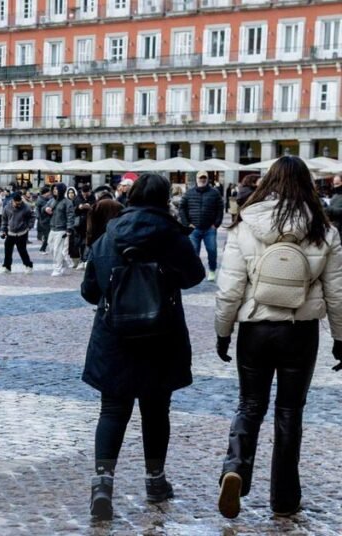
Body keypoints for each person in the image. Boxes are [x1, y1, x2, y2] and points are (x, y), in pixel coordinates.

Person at [213, 157, 342, 519]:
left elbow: (229, 288)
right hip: (300, 331)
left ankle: (235, 467)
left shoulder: (245, 225)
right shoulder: (324, 229)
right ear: (308, 185)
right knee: (289, 412)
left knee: (249, 405)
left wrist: (223, 332)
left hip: (255, 328)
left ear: (267, 182)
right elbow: (337, 292)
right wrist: (341, 338)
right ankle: (284, 497)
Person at [80, 173, 205, 521]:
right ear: (165, 198)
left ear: (131, 196)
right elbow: (195, 276)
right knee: (156, 410)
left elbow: (89, 291)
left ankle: (102, 485)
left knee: (112, 411)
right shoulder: (171, 234)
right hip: (160, 335)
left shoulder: (109, 235)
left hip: (114, 335)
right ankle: (155, 480)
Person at [179, 171, 224, 282]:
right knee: (194, 252)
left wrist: (216, 224)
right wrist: (187, 223)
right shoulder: (189, 193)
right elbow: (182, 208)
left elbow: (220, 208)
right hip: (194, 228)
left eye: (204, 178)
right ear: (197, 179)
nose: (202, 179)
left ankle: (212, 270)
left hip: (210, 228)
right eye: (200, 177)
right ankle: (195, 272)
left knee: (212, 250)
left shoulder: (215, 192)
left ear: (207, 179)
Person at [0, 192, 35, 274]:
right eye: (17, 203)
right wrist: (3, 230)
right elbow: (4, 219)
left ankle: (28, 266)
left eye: (20, 203)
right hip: (11, 232)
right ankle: (7, 267)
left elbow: (32, 216)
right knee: (7, 250)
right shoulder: (7, 207)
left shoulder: (26, 207)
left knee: (22, 250)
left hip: (22, 232)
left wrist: (29, 226)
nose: (18, 205)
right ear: (13, 201)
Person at [47, 183, 75, 276]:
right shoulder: (51, 201)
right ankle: (63, 264)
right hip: (52, 228)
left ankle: (57, 269)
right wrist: (46, 209)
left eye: (56, 189)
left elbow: (70, 216)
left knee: (57, 250)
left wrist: (69, 229)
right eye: (53, 189)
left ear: (61, 190)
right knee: (51, 248)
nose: (55, 191)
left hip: (61, 229)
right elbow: (44, 208)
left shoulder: (67, 202)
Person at [36, 188, 52, 252]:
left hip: (47, 220)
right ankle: (42, 249)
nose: (50, 193)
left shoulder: (47, 199)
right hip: (44, 221)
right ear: (46, 193)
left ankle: (44, 248)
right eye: (49, 192)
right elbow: (37, 210)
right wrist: (39, 218)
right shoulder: (40, 200)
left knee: (47, 236)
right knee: (47, 236)